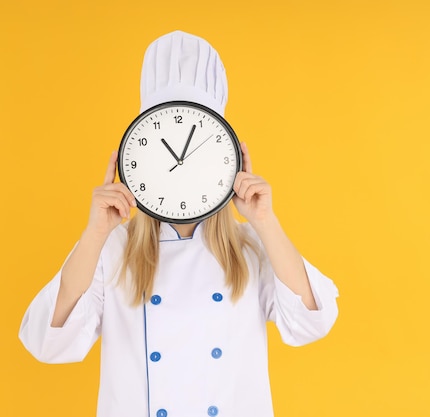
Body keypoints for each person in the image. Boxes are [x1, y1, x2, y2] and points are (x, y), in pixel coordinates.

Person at [19, 30, 339, 417]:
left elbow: (311, 322)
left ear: (227, 157)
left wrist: (265, 221)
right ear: (138, 155)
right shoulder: (110, 247)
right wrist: (94, 234)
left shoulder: (252, 244)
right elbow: (47, 343)